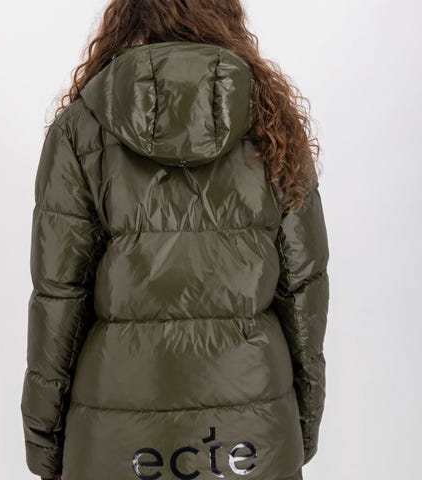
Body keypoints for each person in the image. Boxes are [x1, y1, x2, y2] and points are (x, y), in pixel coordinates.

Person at [20, 1, 330, 479]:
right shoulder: (271, 122)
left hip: (115, 437)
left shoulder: (81, 129)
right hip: (253, 437)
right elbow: (303, 289)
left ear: (129, 16)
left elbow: (58, 299)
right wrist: (301, 424)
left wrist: (44, 441)